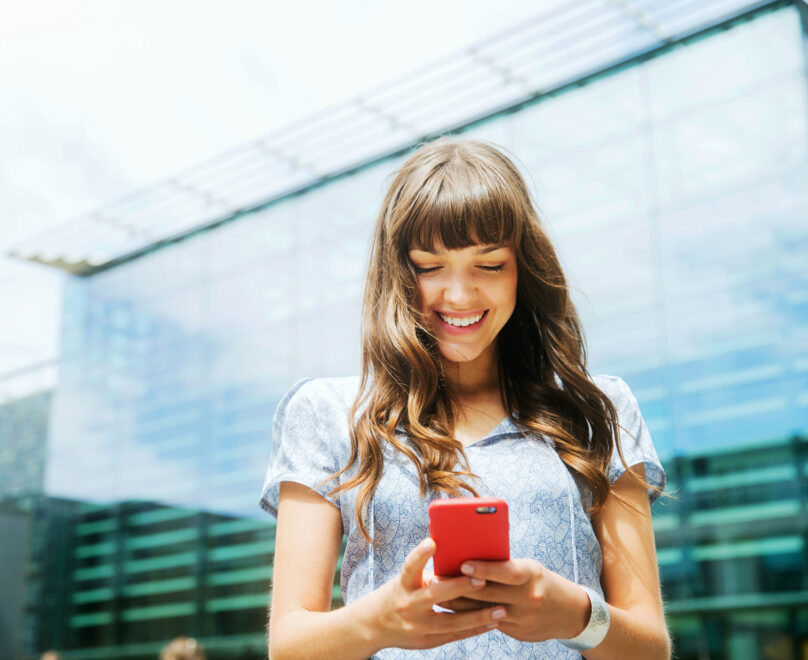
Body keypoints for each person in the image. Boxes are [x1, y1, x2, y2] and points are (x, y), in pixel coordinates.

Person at [259, 137, 671, 659]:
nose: (459, 296)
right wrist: (377, 623)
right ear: (397, 272)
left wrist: (577, 615)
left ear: (524, 267)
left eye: (490, 264)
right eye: (430, 266)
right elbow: (288, 646)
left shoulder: (597, 410)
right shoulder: (327, 413)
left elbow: (650, 650)